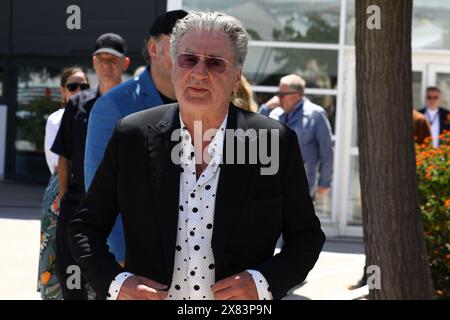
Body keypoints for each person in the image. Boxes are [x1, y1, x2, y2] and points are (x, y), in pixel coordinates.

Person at [68, 11, 325, 301]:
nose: (199, 73)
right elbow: (85, 227)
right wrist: (116, 283)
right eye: (188, 59)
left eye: (215, 63)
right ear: (174, 66)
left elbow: (306, 236)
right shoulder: (133, 135)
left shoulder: (272, 142)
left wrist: (263, 282)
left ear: (237, 74)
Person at [84, 10, 188, 265]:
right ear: (154, 48)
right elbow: (100, 192)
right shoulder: (114, 106)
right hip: (137, 261)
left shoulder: (204, 103)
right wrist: (121, 256)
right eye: (179, 45)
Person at [51, 33, 130, 299]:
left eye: (113, 59)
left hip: (119, 215)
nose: (106, 64)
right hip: (76, 209)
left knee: (114, 288)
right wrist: (64, 199)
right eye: (101, 58)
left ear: (125, 63)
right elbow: (64, 155)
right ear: (93, 63)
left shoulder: (133, 105)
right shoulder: (77, 104)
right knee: (72, 286)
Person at [38, 67, 90, 300]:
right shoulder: (56, 118)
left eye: (84, 86)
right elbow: (55, 162)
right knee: (55, 247)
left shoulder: (94, 112)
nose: (78, 90)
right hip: (61, 188)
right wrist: (63, 192)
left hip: (87, 188)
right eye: (73, 86)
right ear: (62, 91)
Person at [259, 74, 333, 197]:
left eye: (282, 94)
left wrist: (324, 182)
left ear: (296, 96)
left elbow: (327, 151)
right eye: (278, 93)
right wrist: (265, 109)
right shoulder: (274, 113)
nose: (277, 98)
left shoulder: (315, 115)